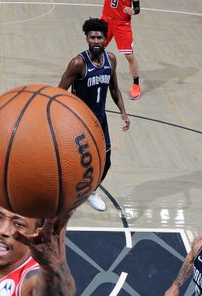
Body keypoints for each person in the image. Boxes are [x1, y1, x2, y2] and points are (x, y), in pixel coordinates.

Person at [58, 17, 130, 213]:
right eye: (92, 37)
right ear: (87, 39)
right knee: (74, 162)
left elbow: (114, 88)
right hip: (79, 123)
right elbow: (59, 93)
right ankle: (62, 193)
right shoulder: (78, 63)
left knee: (105, 162)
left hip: (100, 120)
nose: (96, 41)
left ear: (105, 39)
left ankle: (91, 191)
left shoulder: (111, 60)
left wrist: (123, 112)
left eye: (99, 37)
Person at [100, 0, 142, 99]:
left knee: (130, 57)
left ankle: (136, 85)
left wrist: (134, 11)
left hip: (122, 24)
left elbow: (137, 8)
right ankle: (88, 75)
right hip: (106, 21)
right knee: (96, 50)